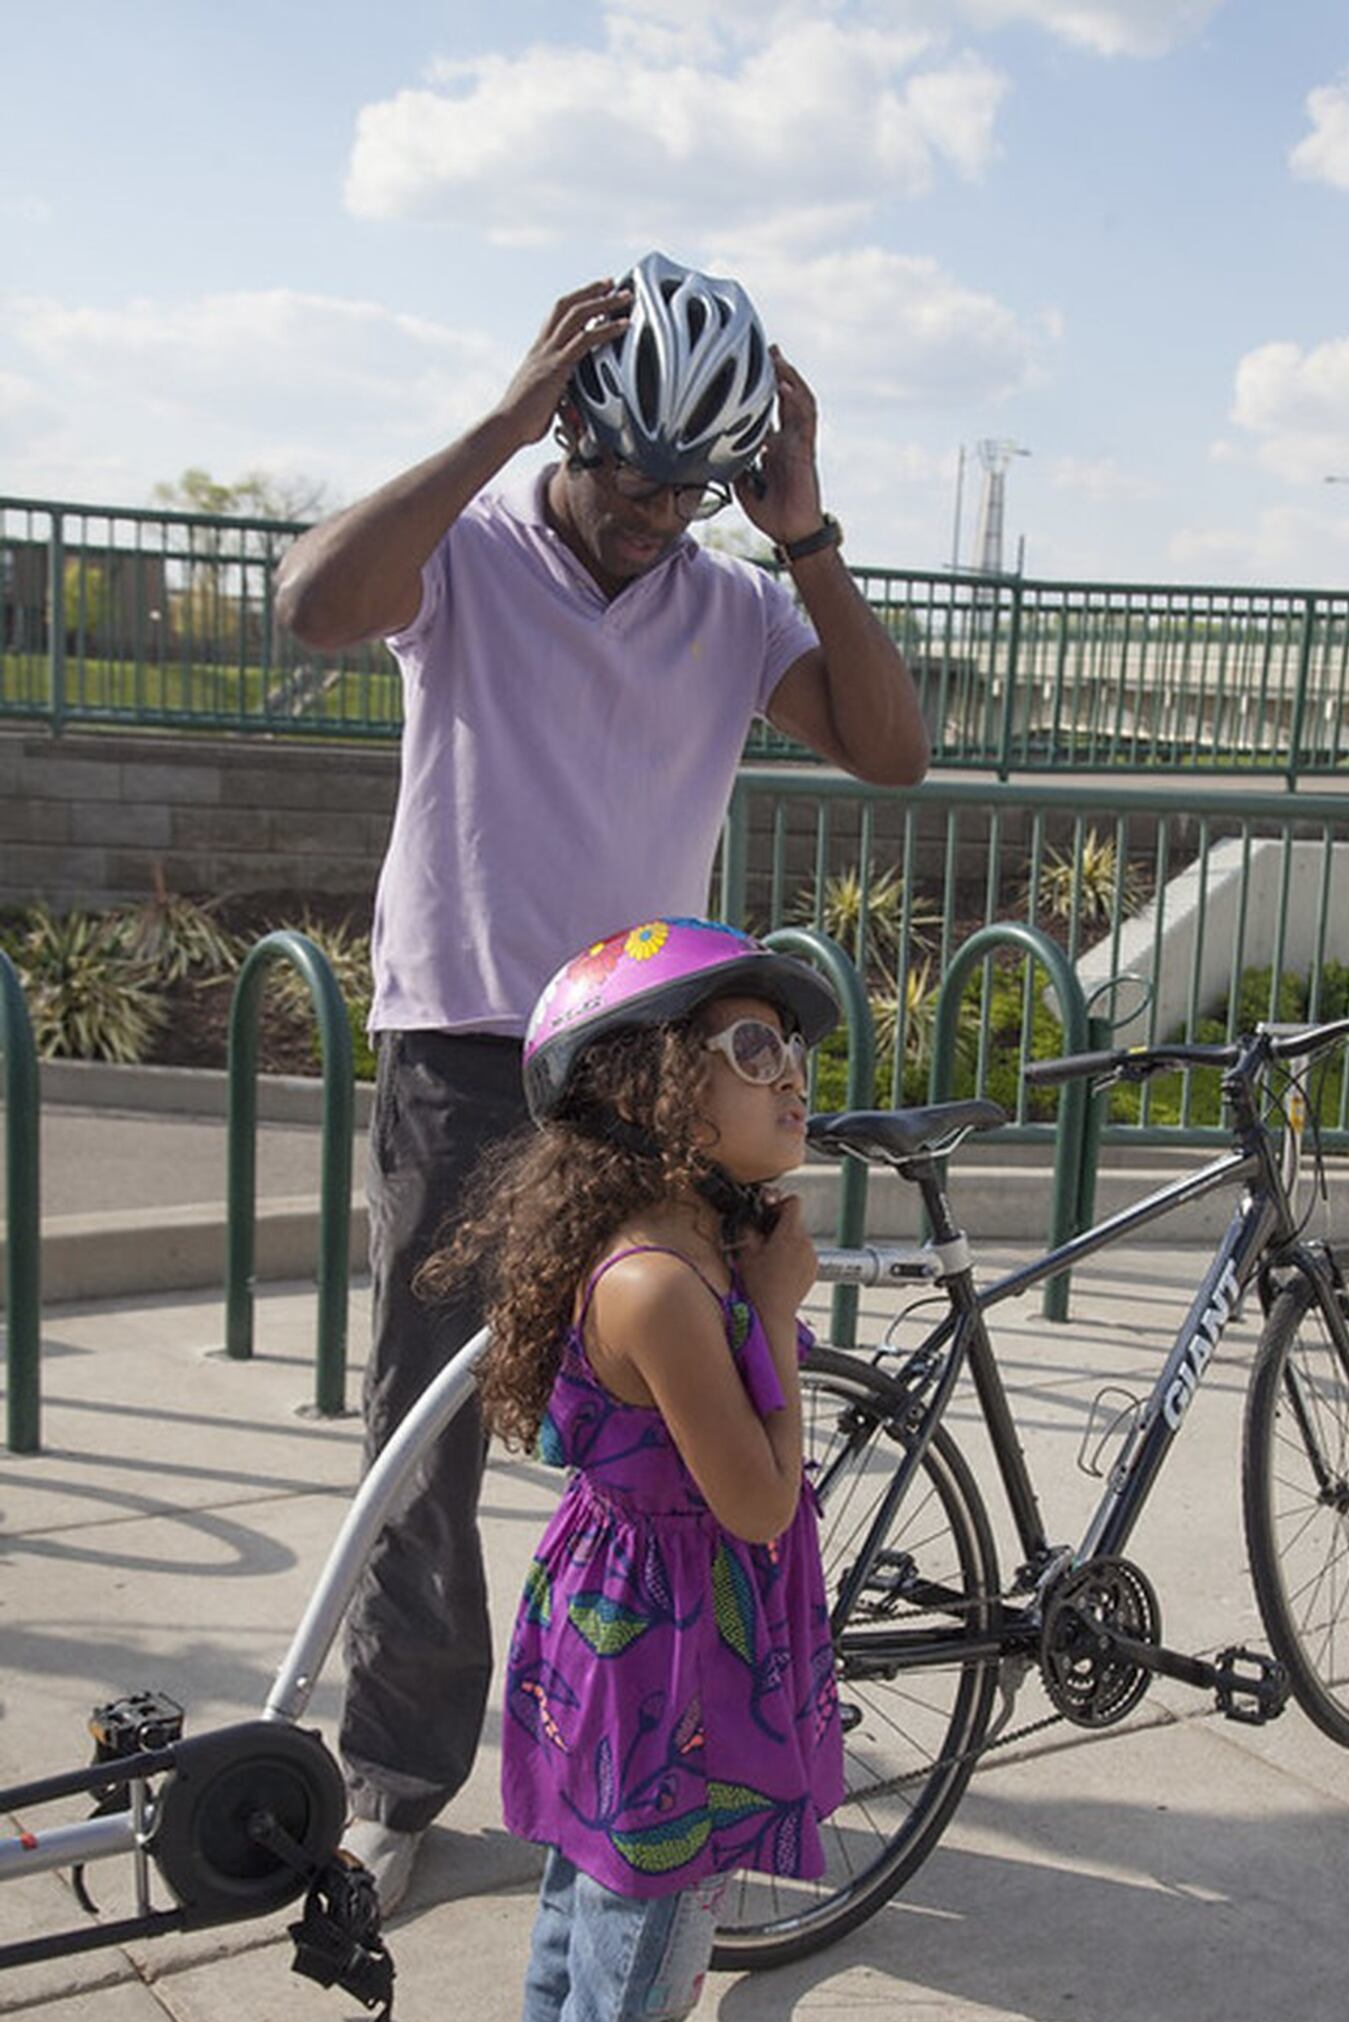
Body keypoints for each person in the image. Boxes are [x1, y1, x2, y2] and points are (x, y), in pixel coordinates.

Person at [273, 254, 928, 1913]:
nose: (653, 513)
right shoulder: (471, 562)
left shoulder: (730, 602)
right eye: (632, 472)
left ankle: (670, 1755)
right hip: (469, 1051)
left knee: (669, 1424)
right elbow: (309, 605)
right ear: (573, 415)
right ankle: (402, 1773)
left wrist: (803, 532)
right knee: (422, 1432)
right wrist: (492, 427)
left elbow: (890, 748)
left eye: (688, 488)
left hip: (645, 1073)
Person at [419, 916, 843, 2022]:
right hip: (665, 1669)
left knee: (580, 1928)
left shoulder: (664, 1241)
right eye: (748, 1046)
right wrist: (780, 1319)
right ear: (655, 1082)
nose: (790, 1075)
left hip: (625, 1639)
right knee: (644, 1986)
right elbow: (761, 1497)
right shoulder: (665, 1281)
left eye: (791, 1047)